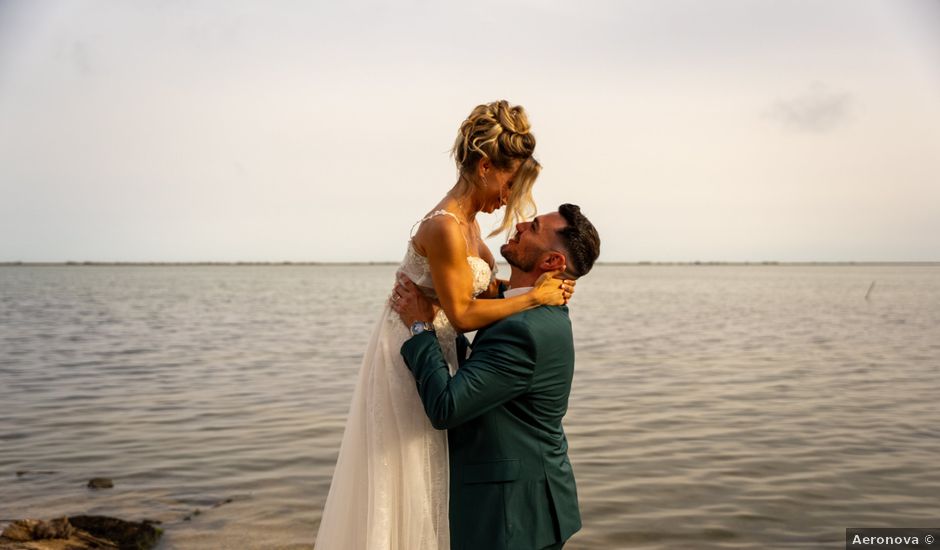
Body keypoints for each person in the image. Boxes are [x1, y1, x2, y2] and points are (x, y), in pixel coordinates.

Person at [314, 101, 576, 550]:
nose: (510, 198)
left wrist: (530, 292)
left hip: (438, 345)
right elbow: (462, 315)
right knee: (404, 475)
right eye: (509, 183)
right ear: (484, 166)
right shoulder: (445, 227)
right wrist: (534, 297)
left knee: (430, 477)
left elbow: (481, 292)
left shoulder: (470, 224)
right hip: (410, 348)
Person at [391, 204, 601, 550]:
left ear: (551, 263)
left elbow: (446, 406)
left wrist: (421, 327)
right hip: (529, 505)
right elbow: (483, 362)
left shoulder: (525, 330)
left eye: (533, 227)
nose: (519, 225)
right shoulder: (529, 311)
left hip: (513, 517)